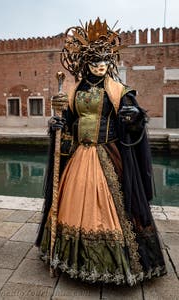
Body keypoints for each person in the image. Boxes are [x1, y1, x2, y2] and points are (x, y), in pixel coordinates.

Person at [36, 18, 167, 285]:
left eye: (105, 61)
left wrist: (134, 117)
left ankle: (118, 263)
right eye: (95, 62)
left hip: (108, 155)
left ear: (110, 62)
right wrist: (57, 124)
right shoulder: (75, 91)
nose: (100, 66)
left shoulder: (119, 91)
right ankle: (70, 259)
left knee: (113, 208)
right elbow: (69, 123)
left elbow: (135, 122)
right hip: (79, 156)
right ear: (86, 63)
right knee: (70, 202)